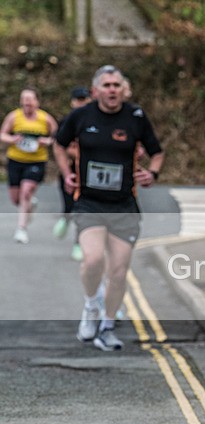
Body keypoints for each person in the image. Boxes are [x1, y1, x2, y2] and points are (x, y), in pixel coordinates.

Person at [54, 65, 164, 351]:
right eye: (107, 85)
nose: (112, 90)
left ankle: (107, 325)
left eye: (116, 85)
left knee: (118, 271)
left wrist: (151, 174)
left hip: (124, 205)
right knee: (92, 260)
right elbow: (58, 144)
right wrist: (66, 173)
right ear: (96, 91)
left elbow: (157, 152)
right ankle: (92, 305)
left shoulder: (136, 117)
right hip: (89, 202)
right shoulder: (81, 116)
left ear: (122, 89)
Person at [0, 88, 58, 244]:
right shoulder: (14, 116)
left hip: (36, 161)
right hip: (15, 160)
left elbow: (58, 136)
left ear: (37, 101)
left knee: (26, 191)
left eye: (30, 99)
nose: (27, 102)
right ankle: (29, 205)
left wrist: (47, 141)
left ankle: (21, 229)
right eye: (24, 98)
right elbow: (2, 134)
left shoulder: (45, 118)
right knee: (16, 198)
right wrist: (12, 139)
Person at [53, 86, 92, 262]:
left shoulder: (95, 121)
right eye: (78, 99)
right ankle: (65, 218)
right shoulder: (66, 122)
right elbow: (61, 147)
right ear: (72, 102)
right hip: (69, 173)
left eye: (84, 99)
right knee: (71, 207)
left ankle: (78, 244)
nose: (81, 103)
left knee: (82, 211)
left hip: (88, 174)